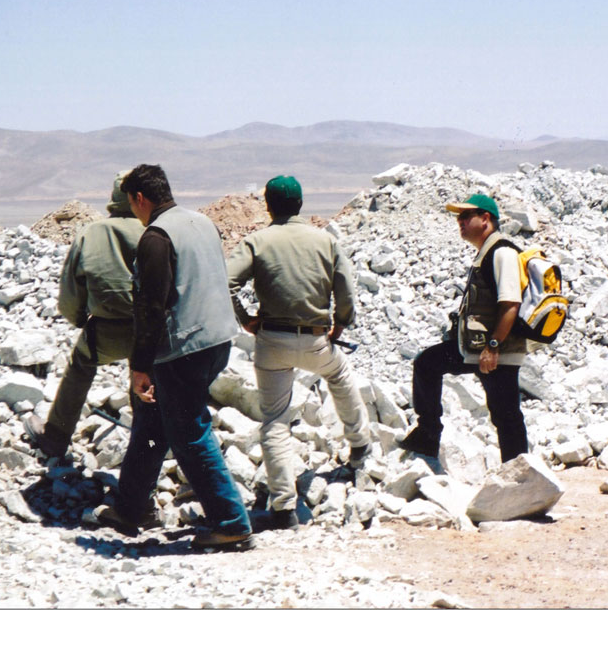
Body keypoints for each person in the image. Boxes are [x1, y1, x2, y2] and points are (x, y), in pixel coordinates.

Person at [94, 164, 252, 550]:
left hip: (184, 348)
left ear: (139, 199)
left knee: (189, 433)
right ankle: (130, 509)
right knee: (151, 423)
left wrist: (139, 366)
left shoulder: (156, 237)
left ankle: (231, 522)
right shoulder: (201, 222)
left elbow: (151, 306)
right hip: (217, 339)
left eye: (132, 204)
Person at [226, 175, 371, 530]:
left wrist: (245, 320)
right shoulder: (326, 240)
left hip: (271, 341)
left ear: (269, 206)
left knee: (275, 419)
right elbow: (347, 292)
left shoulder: (256, 241)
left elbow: (225, 282)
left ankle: (283, 507)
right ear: (301, 205)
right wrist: (340, 325)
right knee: (338, 374)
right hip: (316, 339)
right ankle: (360, 446)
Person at [398, 193, 532, 462]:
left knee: (505, 414)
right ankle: (427, 436)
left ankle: (520, 473)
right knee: (427, 364)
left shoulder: (503, 252)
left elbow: (510, 305)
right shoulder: (487, 252)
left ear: (485, 219)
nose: (459, 222)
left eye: (465, 216)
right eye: (458, 217)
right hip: (475, 349)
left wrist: (492, 346)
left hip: (497, 351)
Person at [25, 172, 145, 460]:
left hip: (105, 331)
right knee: (146, 383)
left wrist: (79, 319)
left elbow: (71, 290)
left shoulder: (92, 233)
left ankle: (55, 436)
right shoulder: (156, 230)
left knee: (80, 368)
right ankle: (147, 444)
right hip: (152, 331)